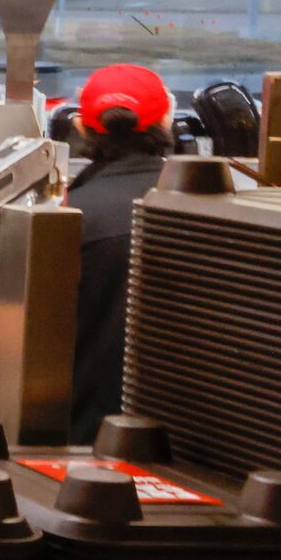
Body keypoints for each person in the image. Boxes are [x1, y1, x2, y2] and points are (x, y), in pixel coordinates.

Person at [64, 63, 175, 444]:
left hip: (86, 442)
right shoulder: (209, 212)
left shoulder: (65, 217)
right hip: (192, 447)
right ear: (167, 120)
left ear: (80, 128)